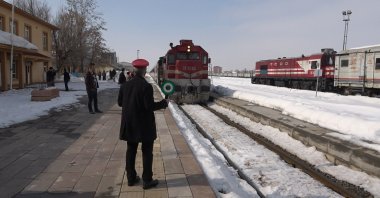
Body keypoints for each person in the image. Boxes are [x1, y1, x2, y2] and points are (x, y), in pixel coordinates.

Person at [118, 58, 168, 189]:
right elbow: (149, 106)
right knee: (147, 152)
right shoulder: (146, 86)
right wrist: (163, 103)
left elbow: (119, 103)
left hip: (130, 124)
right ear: (144, 70)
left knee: (131, 151)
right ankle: (147, 180)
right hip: (144, 126)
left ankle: (131, 178)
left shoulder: (125, 85)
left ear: (134, 70)